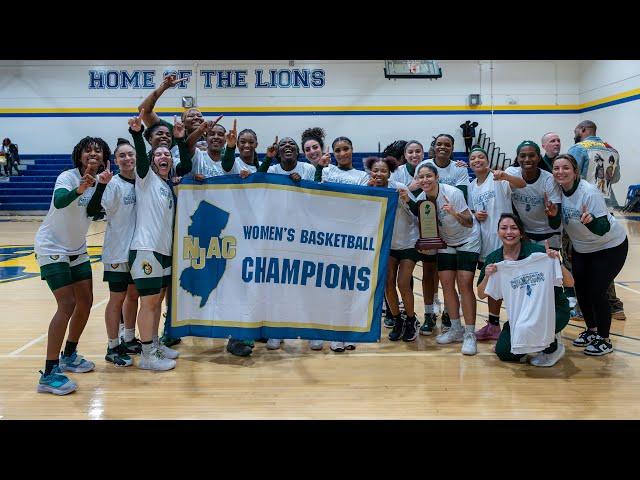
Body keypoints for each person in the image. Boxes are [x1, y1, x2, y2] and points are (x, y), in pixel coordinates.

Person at [34, 136, 111, 395]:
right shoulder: (67, 177)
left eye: (98, 151)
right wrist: (79, 188)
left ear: (103, 158)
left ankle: (69, 354)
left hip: (77, 248)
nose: (93, 154)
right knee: (66, 304)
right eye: (88, 150)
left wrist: (99, 186)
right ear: (79, 155)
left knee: (85, 302)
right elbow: (60, 201)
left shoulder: (102, 181)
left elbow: (92, 211)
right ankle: (49, 372)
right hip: (52, 246)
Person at [127, 111, 193, 370]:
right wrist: (136, 134)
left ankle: (154, 343)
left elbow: (184, 166)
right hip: (146, 249)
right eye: (159, 154)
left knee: (157, 301)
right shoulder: (146, 178)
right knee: (150, 302)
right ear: (152, 161)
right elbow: (142, 159)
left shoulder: (168, 185)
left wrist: (179, 140)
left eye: (167, 154)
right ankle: (146, 355)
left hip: (163, 251)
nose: (163, 156)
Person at [552, 154, 628, 356]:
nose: (561, 172)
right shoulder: (557, 190)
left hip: (609, 247)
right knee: (582, 290)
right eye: (557, 168)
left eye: (566, 168)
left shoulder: (589, 192)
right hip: (582, 249)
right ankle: (591, 330)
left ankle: (604, 339)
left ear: (575, 171)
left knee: (596, 291)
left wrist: (591, 221)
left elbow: (603, 227)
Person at [477, 214, 573, 367]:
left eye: (514, 228)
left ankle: (552, 345)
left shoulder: (539, 253)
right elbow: (481, 294)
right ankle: (533, 339)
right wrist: (488, 276)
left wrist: (556, 261)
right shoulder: (495, 260)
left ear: (521, 233)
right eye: (504, 228)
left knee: (532, 328)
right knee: (505, 352)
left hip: (553, 311)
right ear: (498, 232)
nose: (509, 232)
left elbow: (570, 282)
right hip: (522, 315)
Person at [410, 163, 480, 355]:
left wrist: (453, 213)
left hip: (467, 239)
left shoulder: (453, 193)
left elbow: (469, 222)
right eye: (421, 177)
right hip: (446, 242)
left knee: (464, 284)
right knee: (446, 284)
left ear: (437, 177)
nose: (425, 180)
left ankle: (470, 334)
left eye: (428, 176)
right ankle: (456, 329)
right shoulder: (421, 200)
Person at [87, 139, 141, 366]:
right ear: (115, 161)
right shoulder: (113, 184)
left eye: (130, 155)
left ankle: (128, 338)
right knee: (116, 299)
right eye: (122, 156)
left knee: (133, 296)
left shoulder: (142, 181)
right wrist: (101, 185)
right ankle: (112, 345)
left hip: (138, 250)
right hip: (117, 251)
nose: (127, 159)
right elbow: (95, 209)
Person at [315, 136, 370, 352]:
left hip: (352, 237)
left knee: (349, 288)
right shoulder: (327, 172)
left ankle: (347, 331)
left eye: (346, 148)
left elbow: (364, 204)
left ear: (352, 150)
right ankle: (331, 332)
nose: (342, 153)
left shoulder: (362, 177)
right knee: (330, 287)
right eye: (337, 150)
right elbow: (317, 194)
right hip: (329, 236)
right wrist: (320, 169)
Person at [567, 120, 625, 319]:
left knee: (577, 259)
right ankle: (614, 305)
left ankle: (584, 306)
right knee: (604, 259)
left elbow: (569, 174)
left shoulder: (578, 148)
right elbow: (615, 178)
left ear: (583, 130)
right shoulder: (612, 150)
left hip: (584, 209)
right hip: (607, 207)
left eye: (576, 130)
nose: (575, 133)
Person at [468, 147, 525, 340]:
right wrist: (476, 214)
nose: (477, 160)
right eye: (473, 158)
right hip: (485, 244)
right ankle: (493, 325)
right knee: (492, 287)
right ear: (469, 163)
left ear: (488, 160)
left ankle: (518, 325)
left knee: (512, 286)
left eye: (481, 157)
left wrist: (507, 177)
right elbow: (472, 211)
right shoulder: (471, 185)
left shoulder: (499, 178)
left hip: (505, 243)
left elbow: (522, 184)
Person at [414, 134, 470, 333]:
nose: (443, 147)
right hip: (430, 225)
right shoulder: (425, 165)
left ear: (453, 147)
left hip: (451, 228)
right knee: (429, 273)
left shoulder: (459, 168)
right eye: (439, 144)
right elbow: (418, 192)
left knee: (449, 277)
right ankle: (429, 314)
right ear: (434, 147)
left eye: (447, 144)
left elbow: (461, 194)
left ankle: (449, 312)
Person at [366, 156, 420, 342]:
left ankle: (411, 320)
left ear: (389, 173)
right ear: (370, 172)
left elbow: (417, 212)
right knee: (388, 283)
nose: (379, 173)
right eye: (375, 170)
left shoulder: (399, 188)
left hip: (408, 241)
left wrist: (405, 200)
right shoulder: (368, 189)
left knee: (403, 283)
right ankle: (397, 319)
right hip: (387, 244)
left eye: (383, 170)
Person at [391, 140, 441, 333]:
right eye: (410, 152)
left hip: (427, 229)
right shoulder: (398, 172)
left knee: (430, 272)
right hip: (404, 231)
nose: (414, 155)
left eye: (418, 151)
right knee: (403, 277)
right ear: (405, 154)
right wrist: (409, 188)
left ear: (423, 153)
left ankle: (430, 311)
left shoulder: (429, 170)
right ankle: (399, 312)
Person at [505, 141, 562, 250]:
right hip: (525, 233)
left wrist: (553, 215)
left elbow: (555, 223)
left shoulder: (549, 180)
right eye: (522, 156)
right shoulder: (511, 173)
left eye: (531, 155)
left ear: (539, 158)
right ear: (517, 158)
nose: (527, 159)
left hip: (549, 234)